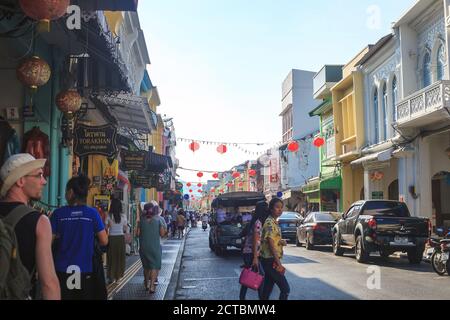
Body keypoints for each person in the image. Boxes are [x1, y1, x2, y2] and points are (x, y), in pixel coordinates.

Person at [0, 154, 60, 300]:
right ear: (20, 180)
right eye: (39, 175)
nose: (44, 181)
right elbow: (48, 283)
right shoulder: (40, 222)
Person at [51, 176, 108, 300]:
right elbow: (104, 240)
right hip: (86, 269)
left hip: (61, 269)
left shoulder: (58, 214)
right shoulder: (92, 213)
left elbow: (48, 242)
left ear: (71, 192)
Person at [260, 198, 290, 300]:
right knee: (285, 289)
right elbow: (270, 244)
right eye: (277, 207)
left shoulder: (274, 222)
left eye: (281, 207)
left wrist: (281, 241)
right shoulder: (269, 222)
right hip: (270, 260)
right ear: (271, 209)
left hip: (269, 260)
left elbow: (273, 240)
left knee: (267, 290)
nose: (280, 210)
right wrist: (278, 263)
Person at [239, 201, 269, 300]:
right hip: (251, 253)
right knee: (260, 276)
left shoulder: (255, 221)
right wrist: (255, 257)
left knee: (249, 275)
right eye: (266, 208)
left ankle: (242, 297)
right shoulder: (258, 222)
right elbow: (256, 240)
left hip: (249, 252)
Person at [136, 202, 167, 293]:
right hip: (155, 247)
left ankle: (146, 282)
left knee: (146, 267)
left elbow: (137, 234)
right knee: (154, 266)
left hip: (143, 247)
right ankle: (152, 286)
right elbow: (162, 234)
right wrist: (165, 230)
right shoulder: (158, 220)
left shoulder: (141, 220)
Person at [105, 198, 127, 284]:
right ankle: (118, 277)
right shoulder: (123, 216)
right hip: (120, 238)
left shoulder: (109, 216)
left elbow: (106, 228)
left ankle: (111, 277)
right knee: (119, 257)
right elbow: (125, 228)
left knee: (111, 257)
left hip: (111, 238)